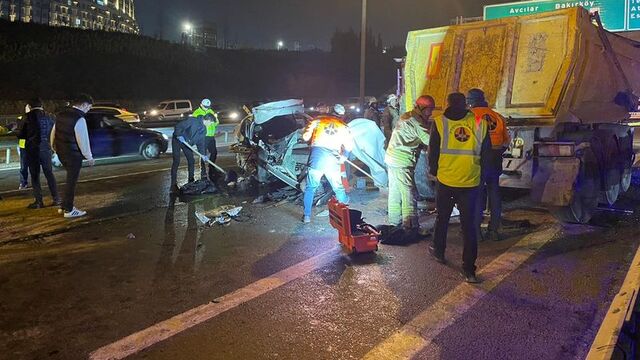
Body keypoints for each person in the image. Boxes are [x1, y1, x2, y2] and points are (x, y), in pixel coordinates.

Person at [428, 92, 490, 283]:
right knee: (469, 225)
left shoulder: (439, 122)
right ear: (466, 104)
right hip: (470, 181)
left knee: (442, 217)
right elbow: (486, 154)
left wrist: (435, 172)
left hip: (446, 180)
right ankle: (469, 270)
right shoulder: (479, 123)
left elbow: (433, 152)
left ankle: (439, 252)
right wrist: (482, 176)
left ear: (447, 103)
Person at [384, 95, 434, 232]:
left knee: (395, 191)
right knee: (408, 192)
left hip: (392, 158)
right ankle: (410, 225)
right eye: (430, 110)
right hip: (402, 161)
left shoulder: (407, 116)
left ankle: (394, 222)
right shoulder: (416, 122)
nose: (431, 113)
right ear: (422, 108)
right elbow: (430, 141)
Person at [467, 88, 511, 241]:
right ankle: (494, 230)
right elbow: (506, 140)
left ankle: (477, 232)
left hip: (479, 158)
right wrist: (497, 151)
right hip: (495, 157)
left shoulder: (470, 116)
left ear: (470, 102)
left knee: (477, 194)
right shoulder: (497, 116)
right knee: (494, 192)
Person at [301, 115, 354, 223]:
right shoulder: (343, 126)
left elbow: (305, 137)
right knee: (338, 188)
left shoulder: (317, 121)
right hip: (332, 161)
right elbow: (349, 146)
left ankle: (307, 216)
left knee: (310, 188)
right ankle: (345, 215)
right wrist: (345, 156)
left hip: (316, 160)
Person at [51, 94, 95, 218]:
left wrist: (54, 149)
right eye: (89, 107)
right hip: (73, 155)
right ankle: (69, 210)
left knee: (69, 181)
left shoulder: (61, 115)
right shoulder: (79, 119)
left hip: (61, 153)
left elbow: (53, 133)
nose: (89, 109)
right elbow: (83, 141)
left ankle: (64, 206)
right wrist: (89, 157)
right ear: (84, 104)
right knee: (71, 182)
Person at [19, 98, 59, 208]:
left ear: (30, 106)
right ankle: (56, 199)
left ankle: (39, 201)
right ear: (42, 105)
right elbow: (54, 132)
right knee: (49, 174)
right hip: (46, 148)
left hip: (32, 149)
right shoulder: (50, 116)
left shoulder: (27, 117)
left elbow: (21, 134)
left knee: (35, 176)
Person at [170, 113, 207, 193]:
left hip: (187, 144)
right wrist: (179, 135)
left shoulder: (204, 130)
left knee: (191, 160)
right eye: (210, 122)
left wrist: (203, 155)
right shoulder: (193, 121)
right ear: (206, 120)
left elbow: (201, 143)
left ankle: (191, 180)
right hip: (177, 140)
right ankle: (173, 184)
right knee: (176, 161)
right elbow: (179, 126)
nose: (210, 124)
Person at [192, 99, 219, 181]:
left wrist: (216, 120)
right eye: (205, 106)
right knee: (203, 154)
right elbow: (194, 125)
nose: (207, 108)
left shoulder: (211, 111)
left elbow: (216, 122)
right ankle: (203, 172)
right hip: (202, 137)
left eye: (208, 107)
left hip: (211, 136)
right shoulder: (196, 113)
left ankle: (211, 169)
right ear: (201, 104)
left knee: (214, 152)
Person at [16, 108, 29, 190]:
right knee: (23, 166)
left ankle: (24, 182)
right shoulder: (20, 118)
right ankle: (23, 182)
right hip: (23, 145)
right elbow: (19, 133)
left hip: (30, 144)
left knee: (25, 165)